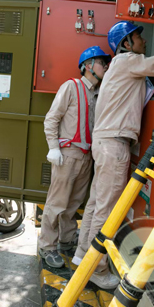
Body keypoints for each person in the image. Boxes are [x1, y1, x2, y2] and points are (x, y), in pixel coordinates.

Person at [72, 21, 154, 289]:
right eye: (139, 37)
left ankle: (83, 255)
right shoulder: (128, 60)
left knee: (95, 205)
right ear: (126, 44)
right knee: (107, 210)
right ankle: (97, 268)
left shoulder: (119, 65)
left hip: (105, 143)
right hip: (114, 145)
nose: (144, 41)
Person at [39, 45, 111, 268]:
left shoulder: (99, 94)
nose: (106, 67)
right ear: (88, 66)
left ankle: (66, 240)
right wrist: (53, 147)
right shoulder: (71, 87)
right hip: (68, 155)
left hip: (87, 156)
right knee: (57, 203)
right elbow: (52, 119)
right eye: (102, 62)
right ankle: (47, 246)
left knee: (74, 204)